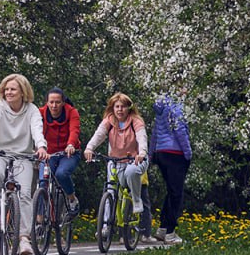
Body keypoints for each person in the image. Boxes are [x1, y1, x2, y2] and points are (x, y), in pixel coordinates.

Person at [0, 73, 48, 255]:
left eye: (13, 89)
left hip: (22, 156)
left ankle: (24, 238)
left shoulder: (32, 110)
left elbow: (37, 130)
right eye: (6, 89)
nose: (8, 92)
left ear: (23, 92)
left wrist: (41, 146)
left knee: (25, 194)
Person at [83, 93, 151, 240]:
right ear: (112, 108)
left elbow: (142, 138)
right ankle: (106, 226)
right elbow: (99, 135)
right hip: (115, 161)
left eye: (123, 107)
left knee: (131, 172)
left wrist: (142, 152)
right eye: (117, 107)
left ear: (129, 108)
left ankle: (136, 200)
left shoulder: (136, 121)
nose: (120, 110)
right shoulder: (109, 121)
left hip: (135, 160)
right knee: (110, 191)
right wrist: (89, 148)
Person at [150, 92, 193, 245]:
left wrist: (152, 153)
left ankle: (162, 228)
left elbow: (155, 132)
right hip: (176, 154)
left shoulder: (161, 108)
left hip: (161, 153)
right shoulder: (176, 107)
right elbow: (180, 130)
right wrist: (188, 153)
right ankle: (170, 232)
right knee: (177, 194)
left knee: (171, 191)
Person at [39, 87, 82, 214]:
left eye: (57, 102)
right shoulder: (40, 113)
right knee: (43, 182)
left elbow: (74, 130)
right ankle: (40, 219)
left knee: (61, 174)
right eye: (51, 102)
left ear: (63, 102)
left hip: (69, 152)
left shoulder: (72, 112)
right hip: (48, 154)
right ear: (47, 102)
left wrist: (70, 144)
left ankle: (71, 198)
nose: (54, 105)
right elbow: (34, 129)